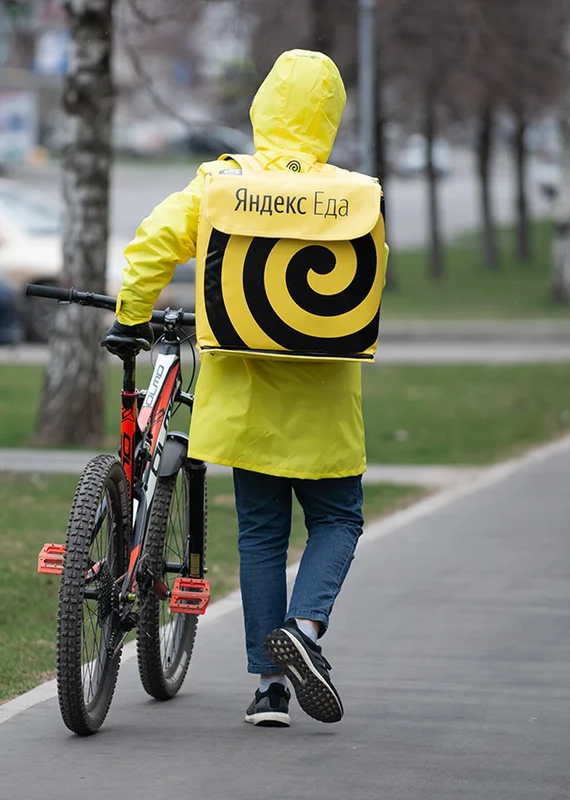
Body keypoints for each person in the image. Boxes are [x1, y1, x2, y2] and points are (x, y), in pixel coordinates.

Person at [104, 50, 384, 727]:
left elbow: (149, 246)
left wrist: (131, 317)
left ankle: (268, 690)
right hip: (323, 401)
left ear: (262, 108)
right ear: (329, 116)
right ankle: (306, 631)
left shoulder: (221, 183)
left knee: (261, 535)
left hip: (245, 401)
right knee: (338, 519)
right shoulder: (353, 193)